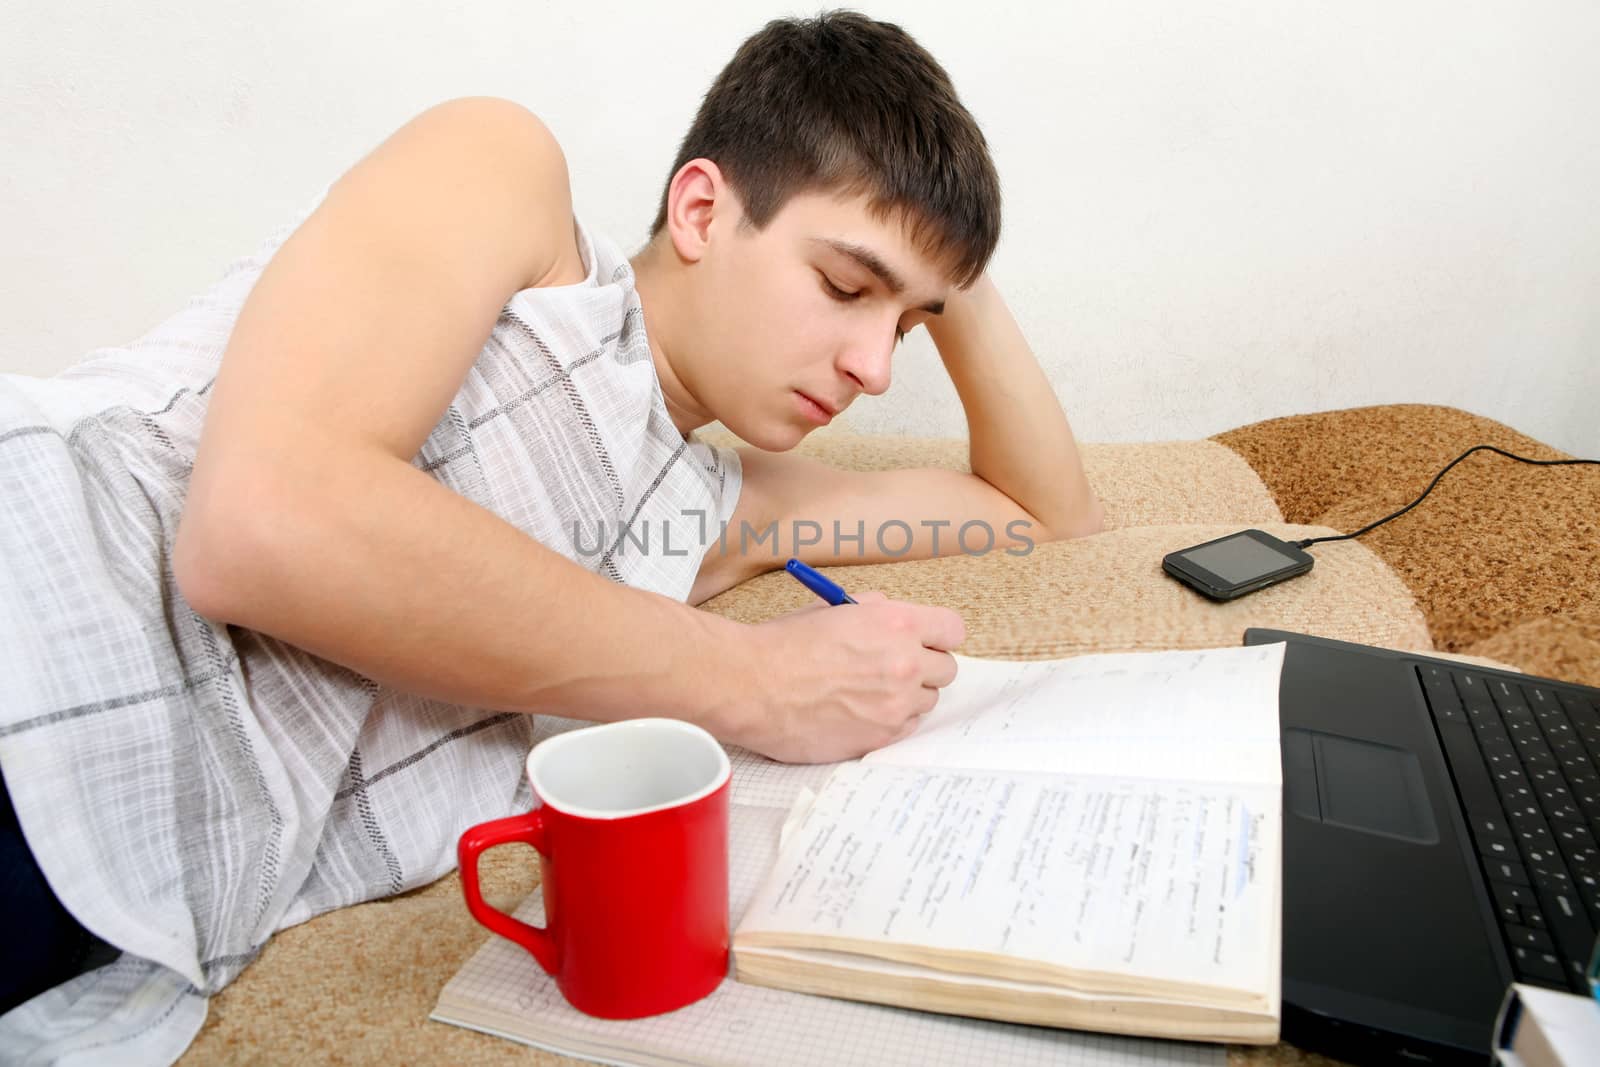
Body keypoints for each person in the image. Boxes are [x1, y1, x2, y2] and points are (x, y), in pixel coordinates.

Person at [0, 9, 1101, 1060]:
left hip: (112, 889)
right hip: (43, 608)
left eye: (910, 325)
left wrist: (946, 265)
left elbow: (1042, 510)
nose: (876, 366)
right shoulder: (507, 181)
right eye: (844, 284)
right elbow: (262, 522)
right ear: (703, 212)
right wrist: (752, 680)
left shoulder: (718, 508)